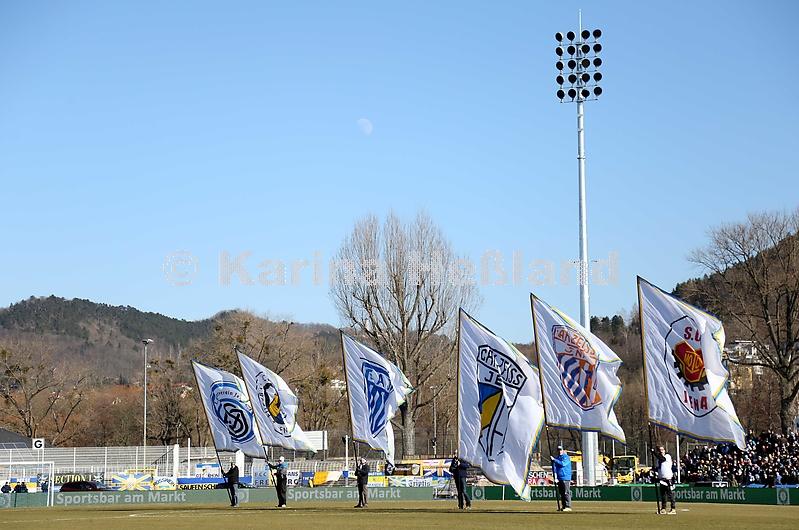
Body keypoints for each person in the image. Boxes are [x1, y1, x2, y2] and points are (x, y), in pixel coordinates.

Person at [653, 445, 676, 515]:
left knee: (670, 494)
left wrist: (654, 452)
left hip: (668, 478)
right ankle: (663, 508)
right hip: (661, 479)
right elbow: (659, 468)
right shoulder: (658, 460)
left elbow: (662, 459)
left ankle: (673, 508)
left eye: (662, 450)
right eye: (660, 450)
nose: (661, 451)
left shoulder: (667, 456)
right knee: (663, 494)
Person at [551, 445, 572, 512]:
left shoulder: (566, 457)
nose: (559, 451)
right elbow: (555, 467)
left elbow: (563, 464)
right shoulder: (557, 458)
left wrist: (554, 460)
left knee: (566, 492)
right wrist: (555, 476)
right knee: (562, 493)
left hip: (565, 477)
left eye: (560, 450)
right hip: (559, 478)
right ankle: (564, 506)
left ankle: (568, 506)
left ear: (563, 450)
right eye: (558, 450)